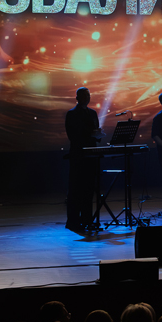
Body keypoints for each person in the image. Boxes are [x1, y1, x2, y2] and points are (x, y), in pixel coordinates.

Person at [64, 87, 101, 231]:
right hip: (78, 156)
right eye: (84, 95)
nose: (87, 98)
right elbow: (73, 135)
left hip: (91, 155)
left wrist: (97, 135)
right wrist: (90, 134)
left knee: (89, 189)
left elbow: (95, 130)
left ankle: (87, 219)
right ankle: (73, 221)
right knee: (76, 189)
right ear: (77, 98)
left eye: (88, 95)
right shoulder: (72, 114)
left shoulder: (92, 113)